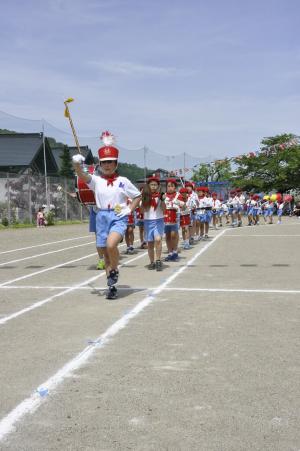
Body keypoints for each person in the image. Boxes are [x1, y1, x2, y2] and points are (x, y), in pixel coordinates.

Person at [72, 132, 141, 299]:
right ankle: (111, 286)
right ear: (100, 164)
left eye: (110, 162)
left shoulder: (123, 180)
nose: (107, 165)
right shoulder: (96, 180)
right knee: (105, 254)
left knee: (111, 246)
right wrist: (76, 164)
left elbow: (138, 196)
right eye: (104, 162)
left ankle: (115, 270)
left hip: (118, 216)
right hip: (101, 217)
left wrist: (129, 209)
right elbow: (82, 176)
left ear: (116, 163)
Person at [141, 176, 165, 271]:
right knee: (150, 243)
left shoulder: (161, 196)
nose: (154, 187)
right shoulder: (145, 196)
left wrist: (162, 200)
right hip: (148, 221)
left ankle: (158, 260)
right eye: (152, 185)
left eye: (155, 185)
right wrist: (144, 200)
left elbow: (164, 209)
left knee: (158, 239)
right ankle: (152, 262)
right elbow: (143, 211)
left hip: (159, 220)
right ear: (148, 186)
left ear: (158, 186)